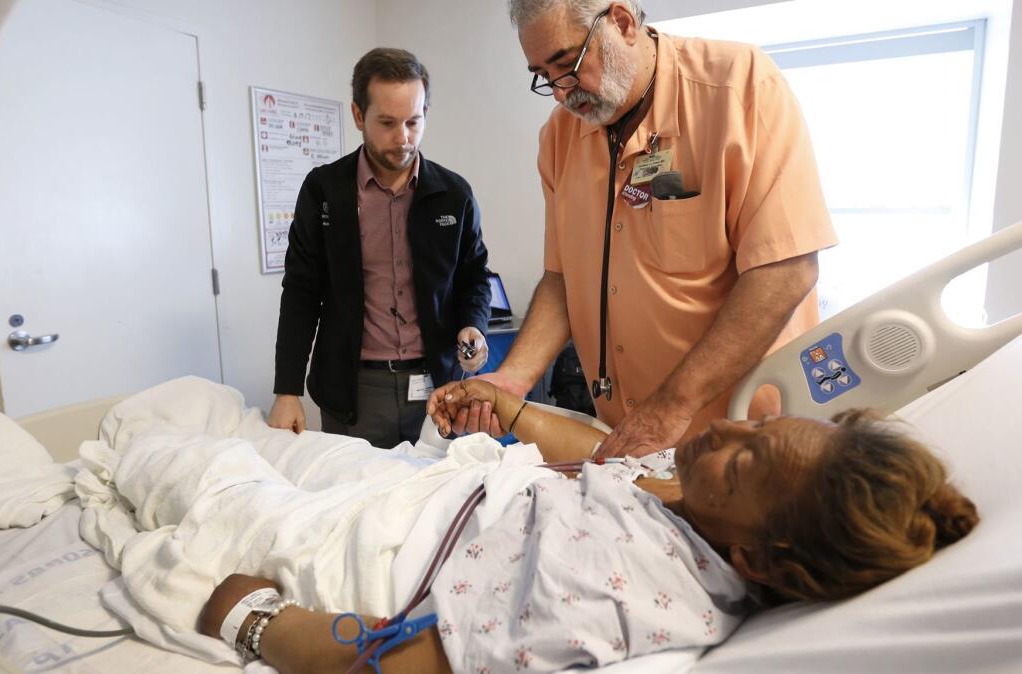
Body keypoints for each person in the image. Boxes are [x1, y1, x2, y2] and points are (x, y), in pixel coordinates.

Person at [200, 379, 978, 673]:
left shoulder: (620, 594)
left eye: (742, 466)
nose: (720, 437)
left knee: (177, 458)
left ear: (758, 559)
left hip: (385, 538)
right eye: (755, 432)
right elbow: (613, 462)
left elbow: (402, 663)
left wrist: (256, 622)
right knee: (235, 427)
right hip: (429, 482)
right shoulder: (701, 500)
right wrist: (514, 411)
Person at [436, 0, 839, 458]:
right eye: (544, 75)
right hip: (629, 439)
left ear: (623, 22)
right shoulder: (560, 137)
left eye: (567, 64)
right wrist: (511, 379)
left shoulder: (739, 87)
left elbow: (785, 271)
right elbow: (563, 279)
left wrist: (672, 405)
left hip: (746, 443)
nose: (561, 93)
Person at [271, 47, 492, 449]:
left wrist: (474, 325)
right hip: (353, 390)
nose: (403, 138)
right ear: (359, 115)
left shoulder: (454, 194)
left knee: (438, 502)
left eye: (414, 121)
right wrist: (287, 390)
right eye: (387, 123)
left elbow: (474, 276)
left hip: (436, 387)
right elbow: (302, 292)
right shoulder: (324, 191)